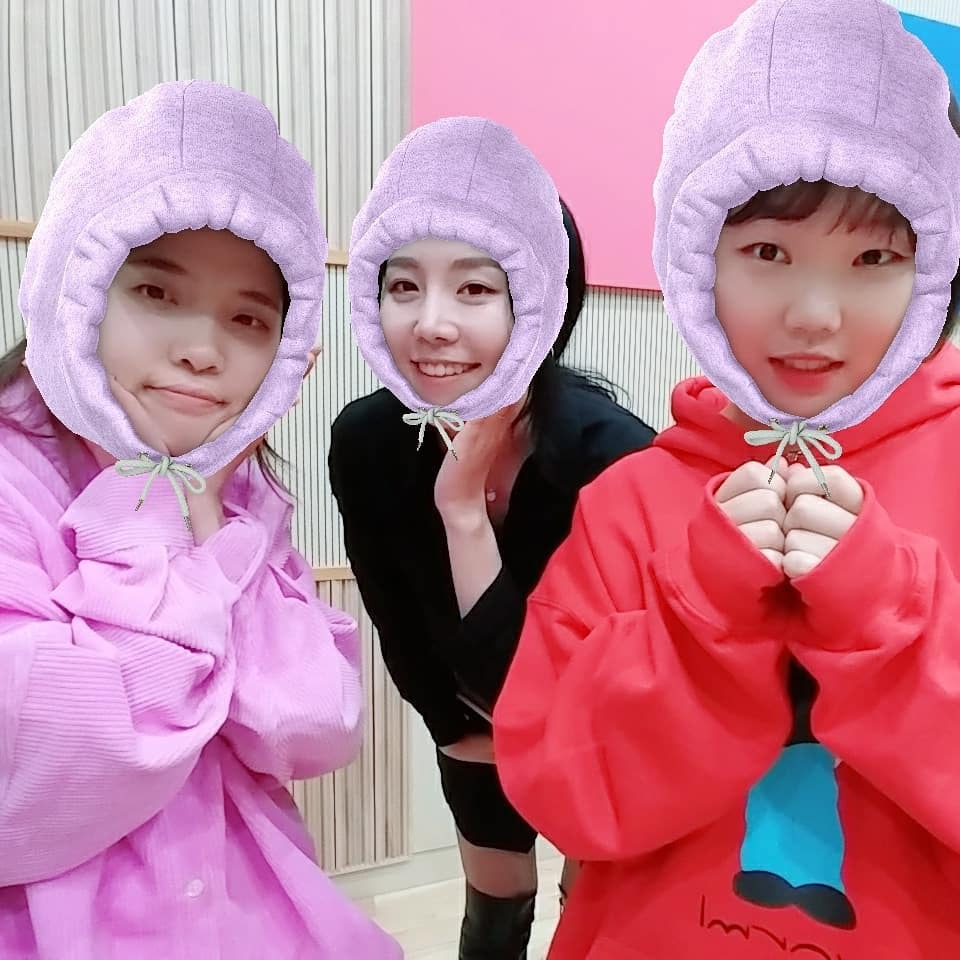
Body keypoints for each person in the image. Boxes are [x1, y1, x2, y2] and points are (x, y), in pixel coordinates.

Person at [492, 1, 960, 956]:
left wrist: (892, 616)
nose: (816, 313)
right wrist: (697, 616)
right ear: (696, 257)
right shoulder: (630, 500)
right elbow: (559, 792)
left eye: (874, 257)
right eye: (767, 252)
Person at [0, 80, 400, 959]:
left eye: (249, 318)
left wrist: (212, 518)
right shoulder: (13, 477)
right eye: (155, 292)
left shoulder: (237, 490)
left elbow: (313, 728)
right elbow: (43, 772)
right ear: (74, 287)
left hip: (249, 916)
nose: (202, 350)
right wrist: (152, 527)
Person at [329, 116, 656, 959]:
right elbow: (393, 611)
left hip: (600, 731)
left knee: (593, 912)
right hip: (472, 723)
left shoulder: (615, 458)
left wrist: (464, 511)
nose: (430, 325)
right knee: (495, 906)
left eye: (474, 290)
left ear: (540, 300)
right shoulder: (369, 440)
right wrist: (446, 723)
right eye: (404, 286)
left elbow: (560, 678)